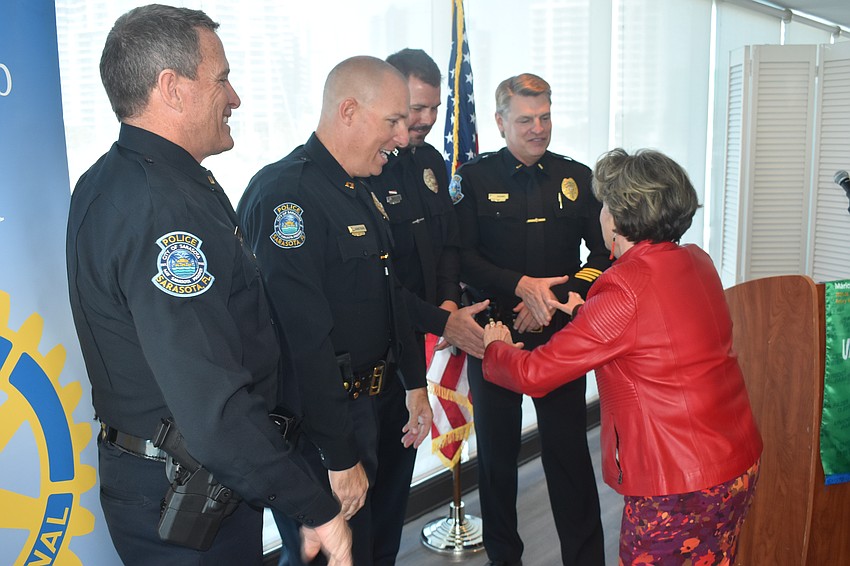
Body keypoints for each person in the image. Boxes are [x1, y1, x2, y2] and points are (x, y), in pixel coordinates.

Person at [65, 5, 350, 565]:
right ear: (172, 88)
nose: (235, 97)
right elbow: (211, 404)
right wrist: (315, 506)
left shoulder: (124, 180)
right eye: (221, 78)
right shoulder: (161, 210)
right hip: (186, 498)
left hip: (183, 482)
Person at [482, 148, 764, 565]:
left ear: (616, 216)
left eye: (604, 204)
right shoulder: (697, 261)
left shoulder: (623, 286)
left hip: (678, 484)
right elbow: (657, 329)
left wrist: (494, 347)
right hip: (735, 464)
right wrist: (583, 310)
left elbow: (536, 374)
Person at [237, 55, 428, 566]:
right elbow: (301, 341)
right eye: (392, 122)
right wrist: (337, 454)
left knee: (377, 549)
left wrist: (415, 383)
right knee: (332, 558)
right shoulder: (287, 197)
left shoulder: (359, 190)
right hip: (326, 424)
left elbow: (389, 298)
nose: (403, 138)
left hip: (382, 407)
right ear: (348, 111)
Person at [453, 73, 610, 566]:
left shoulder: (577, 175)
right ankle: (505, 559)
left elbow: (603, 250)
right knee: (498, 461)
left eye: (545, 117)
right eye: (526, 120)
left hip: (559, 334)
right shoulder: (473, 180)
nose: (538, 128)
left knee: (568, 455)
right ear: (501, 122)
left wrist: (558, 295)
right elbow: (461, 258)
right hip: (494, 335)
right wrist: (519, 286)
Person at [367, 48, 486, 566]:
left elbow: (448, 243)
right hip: (381, 344)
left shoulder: (433, 162)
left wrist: (443, 302)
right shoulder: (366, 167)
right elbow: (380, 277)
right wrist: (442, 318)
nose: (424, 121)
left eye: (434, 109)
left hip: (425, 338)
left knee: (396, 483)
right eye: (414, 108)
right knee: (360, 493)